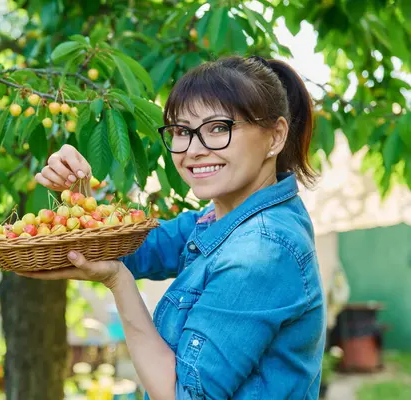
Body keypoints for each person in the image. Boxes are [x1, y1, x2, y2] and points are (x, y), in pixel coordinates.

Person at [21, 55, 326, 399]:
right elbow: (128, 250)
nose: (193, 150)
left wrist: (117, 283)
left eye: (218, 128)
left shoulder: (261, 250)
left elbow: (185, 395)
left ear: (275, 137)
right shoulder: (217, 222)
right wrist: (80, 198)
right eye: (182, 132)